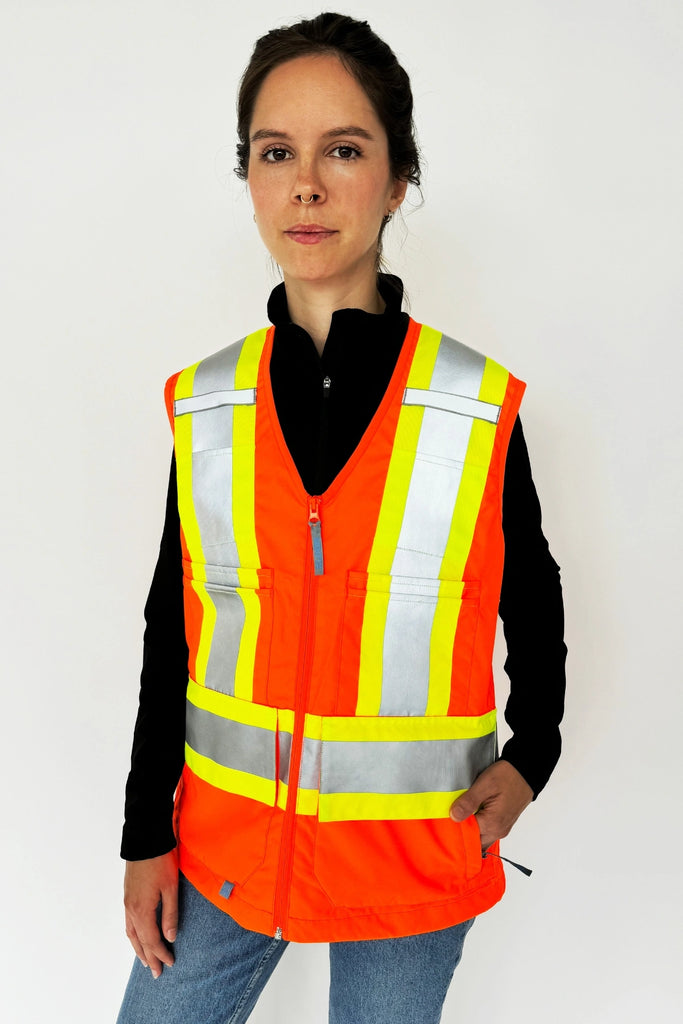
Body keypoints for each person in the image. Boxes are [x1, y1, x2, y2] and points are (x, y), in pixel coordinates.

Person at [117, 12, 566, 1024]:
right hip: (225, 848)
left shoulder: (469, 404)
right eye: (276, 152)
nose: (306, 185)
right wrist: (145, 831)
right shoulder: (209, 403)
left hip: (410, 857)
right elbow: (170, 628)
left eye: (345, 150)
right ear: (248, 177)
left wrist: (531, 749)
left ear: (398, 178)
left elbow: (531, 594)